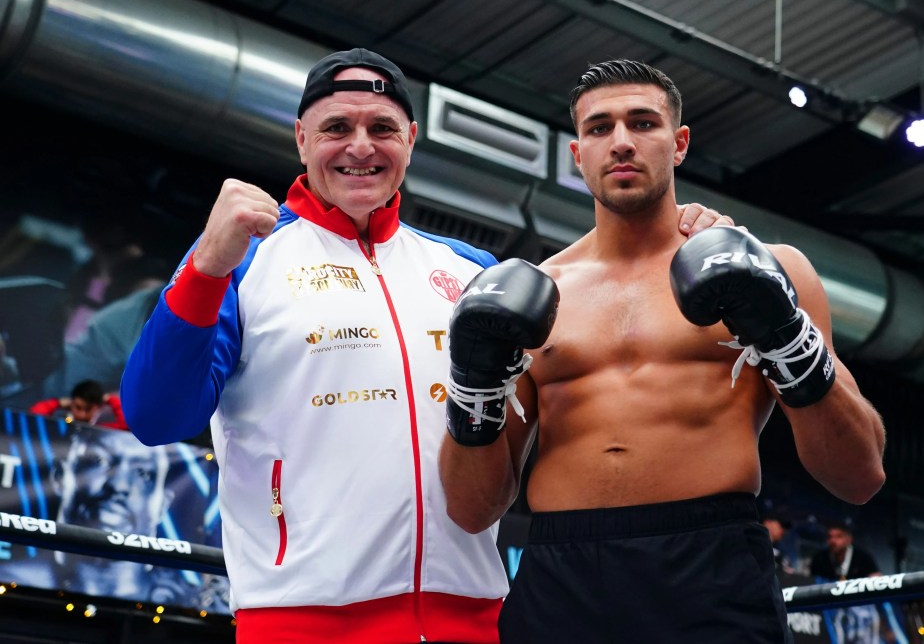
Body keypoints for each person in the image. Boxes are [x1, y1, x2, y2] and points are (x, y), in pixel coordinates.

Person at [119, 49, 732, 643]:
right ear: (301, 138)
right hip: (302, 622)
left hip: (474, 621)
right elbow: (155, 417)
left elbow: (582, 379)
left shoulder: (470, 270)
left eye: (381, 127)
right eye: (337, 127)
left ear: (410, 139)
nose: (361, 146)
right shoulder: (244, 259)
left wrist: (685, 233)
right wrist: (204, 268)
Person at [439, 59, 887, 643]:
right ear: (578, 155)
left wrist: (785, 336)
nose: (621, 142)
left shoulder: (771, 269)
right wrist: (472, 387)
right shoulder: (537, 295)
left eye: (642, 123)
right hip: (559, 574)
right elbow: (472, 510)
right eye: (599, 128)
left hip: (711, 563)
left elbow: (859, 476)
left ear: (678, 145)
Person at [1, 425, 185, 603]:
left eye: (143, 473)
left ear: (162, 505)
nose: (119, 485)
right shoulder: (9, 575)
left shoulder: (188, 598)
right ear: (60, 476)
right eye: (99, 461)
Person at [29, 378, 127, 430]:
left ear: (98, 408)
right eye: (78, 407)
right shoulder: (60, 425)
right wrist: (57, 403)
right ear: (70, 403)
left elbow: (126, 424)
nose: (81, 415)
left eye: (88, 409)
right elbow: (32, 418)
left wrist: (109, 399)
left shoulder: (103, 431)